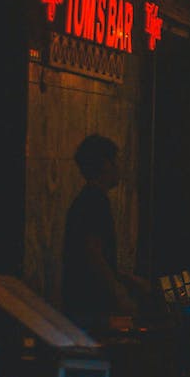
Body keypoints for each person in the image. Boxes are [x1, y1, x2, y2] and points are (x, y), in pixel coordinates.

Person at [61, 134, 149, 332]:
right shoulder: (95, 201)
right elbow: (92, 253)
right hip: (90, 305)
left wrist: (125, 277)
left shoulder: (86, 200)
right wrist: (119, 293)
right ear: (105, 165)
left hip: (80, 303)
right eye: (116, 161)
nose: (120, 168)